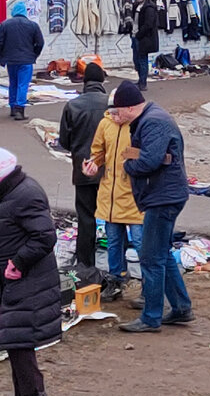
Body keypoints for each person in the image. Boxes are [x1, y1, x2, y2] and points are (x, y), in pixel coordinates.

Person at [0, 147, 60, 396]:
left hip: (28, 276)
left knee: (19, 336)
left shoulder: (25, 195)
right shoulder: (11, 192)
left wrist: (18, 263)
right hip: (16, 276)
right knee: (14, 336)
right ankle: (24, 394)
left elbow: (45, 236)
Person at [109, 81, 193, 333]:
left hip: (163, 197)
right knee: (162, 254)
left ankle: (151, 316)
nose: (115, 115)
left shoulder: (153, 121)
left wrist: (127, 167)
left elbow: (149, 161)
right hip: (164, 194)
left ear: (131, 107)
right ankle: (180, 308)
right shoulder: (150, 118)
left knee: (150, 257)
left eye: (117, 110)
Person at [84, 105, 143, 296]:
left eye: (118, 112)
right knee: (114, 241)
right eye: (112, 112)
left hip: (134, 194)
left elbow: (150, 154)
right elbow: (98, 152)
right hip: (110, 193)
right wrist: (92, 163)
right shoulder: (105, 123)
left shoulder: (139, 124)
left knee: (142, 243)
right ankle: (115, 279)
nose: (115, 116)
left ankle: (150, 285)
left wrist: (129, 156)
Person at [58, 62, 110, 268]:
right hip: (109, 171)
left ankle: (85, 265)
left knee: (86, 218)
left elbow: (64, 141)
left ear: (84, 80)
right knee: (113, 217)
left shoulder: (73, 105)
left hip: (83, 170)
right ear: (102, 80)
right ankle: (116, 267)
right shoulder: (111, 104)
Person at [0, 0, 44, 120]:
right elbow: (40, 43)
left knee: (13, 83)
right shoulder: (33, 25)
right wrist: (34, 55)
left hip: (11, 60)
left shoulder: (5, 24)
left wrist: (1, 56)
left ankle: (12, 107)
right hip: (26, 60)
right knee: (23, 85)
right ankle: (20, 109)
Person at [131, 0, 158, 91]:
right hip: (135, 36)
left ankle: (143, 83)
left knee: (142, 60)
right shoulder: (137, 6)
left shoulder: (149, 8)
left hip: (143, 38)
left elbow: (148, 24)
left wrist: (139, 34)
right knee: (136, 60)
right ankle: (140, 80)